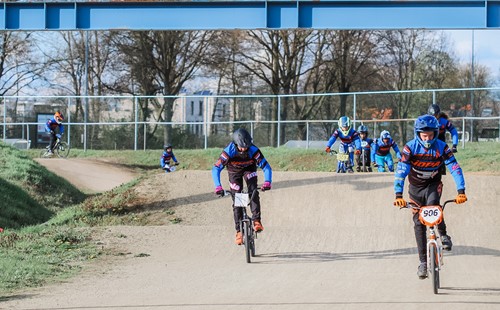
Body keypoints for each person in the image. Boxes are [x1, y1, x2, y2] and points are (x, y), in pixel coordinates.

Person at [393, 115, 467, 279]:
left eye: (430, 135)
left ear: (435, 133)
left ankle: (444, 234)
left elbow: (455, 168)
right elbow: (401, 172)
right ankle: (423, 263)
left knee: (434, 205)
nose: (427, 138)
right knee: (418, 223)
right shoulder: (410, 148)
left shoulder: (442, 147)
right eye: (424, 135)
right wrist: (398, 194)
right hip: (415, 188)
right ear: (417, 133)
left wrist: (461, 191)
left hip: (433, 184)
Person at [212, 128, 273, 245]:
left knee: (253, 191)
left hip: (249, 170)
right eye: (241, 147)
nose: (244, 149)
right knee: (237, 199)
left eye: (246, 147)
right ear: (235, 144)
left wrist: (267, 182)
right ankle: (239, 231)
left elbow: (266, 167)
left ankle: (256, 221)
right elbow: (216, 169)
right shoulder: (228, 151)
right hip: (234, 173)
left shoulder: (253, 150)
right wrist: (218, 186)